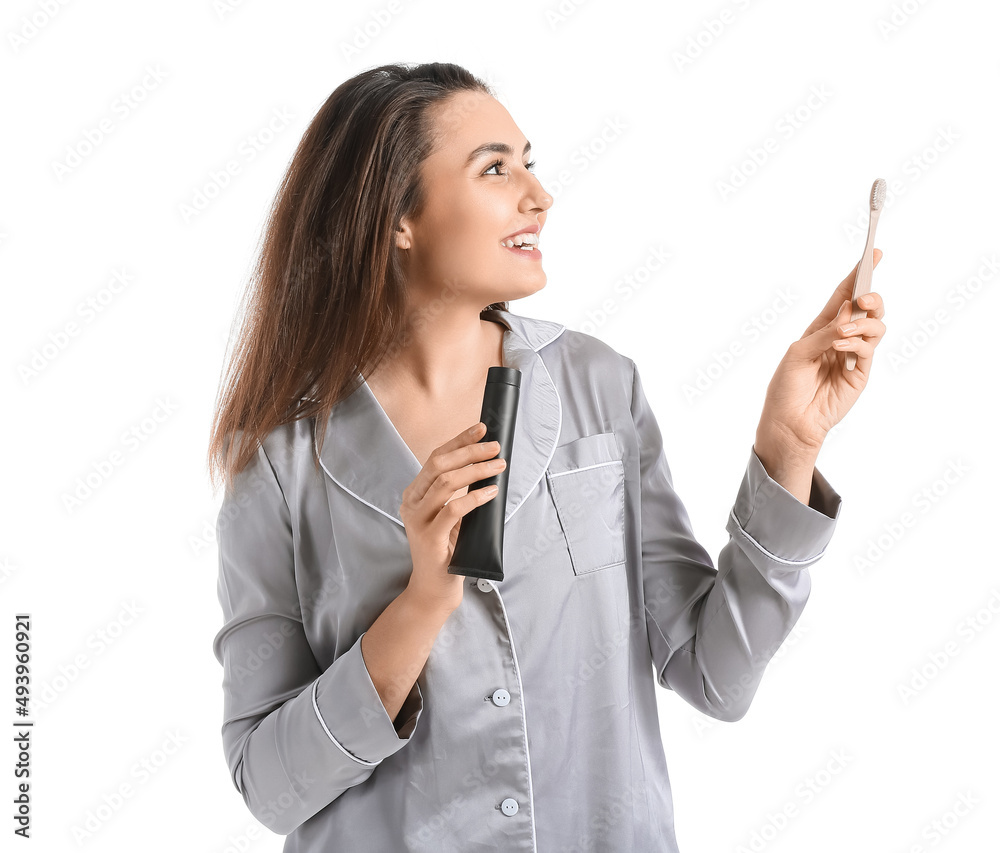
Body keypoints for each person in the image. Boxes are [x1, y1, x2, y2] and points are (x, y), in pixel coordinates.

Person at [206, 62, 886, 852]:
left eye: (529, 161)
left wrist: (789, 445)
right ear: (399, 217)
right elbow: (268, 783)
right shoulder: (279, 461)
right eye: (496, 168)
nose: (539, 194)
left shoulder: (601, 388)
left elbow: (715, 673)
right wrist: (421, 603)